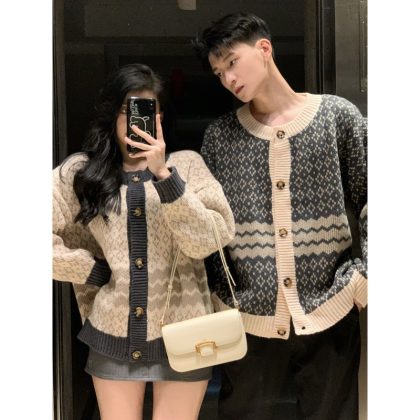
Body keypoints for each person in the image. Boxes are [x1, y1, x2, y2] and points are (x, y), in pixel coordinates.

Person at [193, 13, 367, 420]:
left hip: (331, 308)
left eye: (232, 62)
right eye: (218, 73)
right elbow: (209, 226)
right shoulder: (220, 137)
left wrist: (363, 278)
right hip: (248, 319)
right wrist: (221, 296)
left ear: (264, 49)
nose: (228, 79)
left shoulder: (337, 117)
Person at [53, 63, 235, 420]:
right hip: (112, 334)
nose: (138, 121)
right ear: (113, 114)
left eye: (149, 110)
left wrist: (164, 176)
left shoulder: (187, 165)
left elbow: (212, 237)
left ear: (160, 117)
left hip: (188, 335)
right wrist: (90, 271)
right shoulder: (82, 172)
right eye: (129, 109)